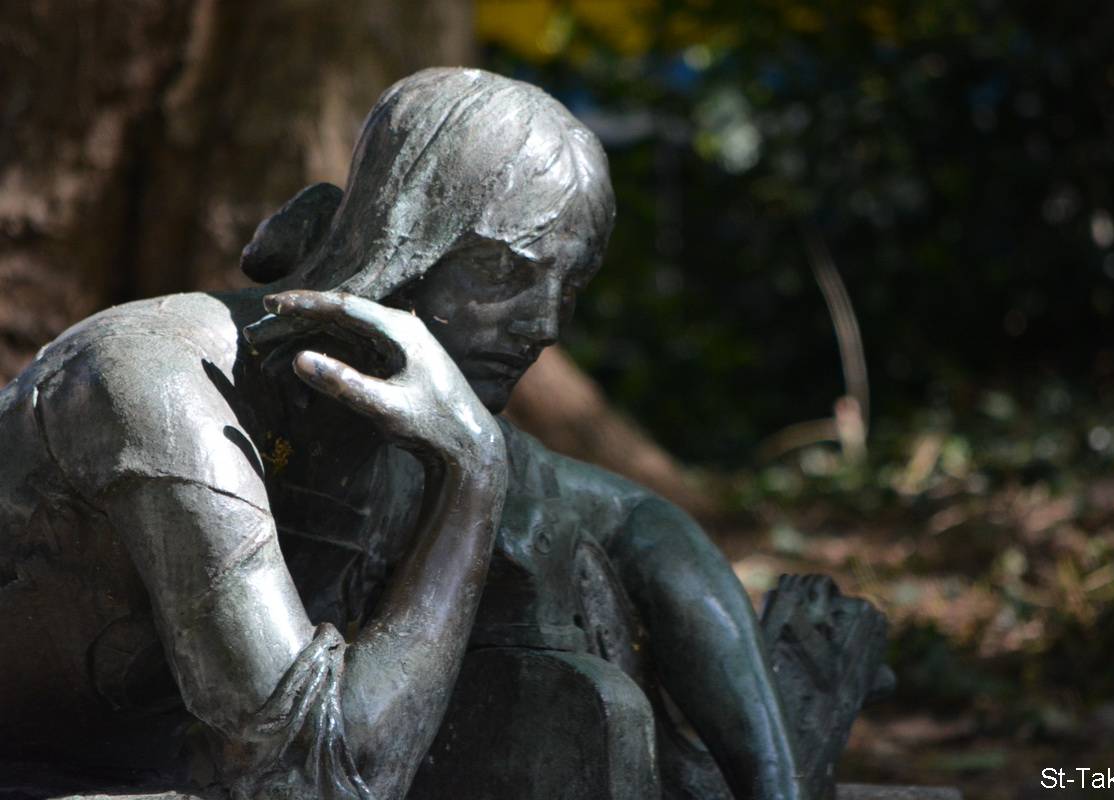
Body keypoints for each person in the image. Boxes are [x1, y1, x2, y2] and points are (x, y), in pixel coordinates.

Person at [0, 68, 799, 798]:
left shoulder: (406, 407)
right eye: (506, 272)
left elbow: (638, 523)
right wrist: (473, 477)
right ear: (402, 238)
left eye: (572, 284)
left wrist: (778, 786)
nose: (546, 325)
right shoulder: (161, 389)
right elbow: (320, 782)